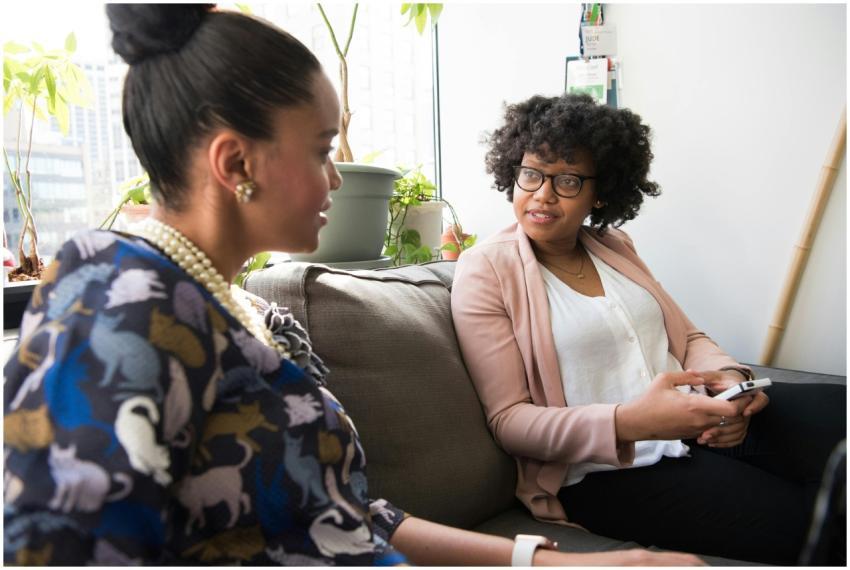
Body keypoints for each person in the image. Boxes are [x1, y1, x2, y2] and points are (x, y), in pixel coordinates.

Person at [2, 6, 706, 566]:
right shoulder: (114, 296)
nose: (338, 178)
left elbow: (347, 521)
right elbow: (61, 551)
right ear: (236, 160)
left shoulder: (255, 319)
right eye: (321, 149)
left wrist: (554, 562)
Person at [450, 92, 846, 565]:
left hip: (700, 423)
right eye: (531, 174)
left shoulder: (614, 245)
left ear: (601, 191)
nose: (542, 194)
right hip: (609, 473)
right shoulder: (485, 269)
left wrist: (733, 384)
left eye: (568, 180)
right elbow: (509, 422)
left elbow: (689, 338)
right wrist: (633, 421)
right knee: (817, 522)